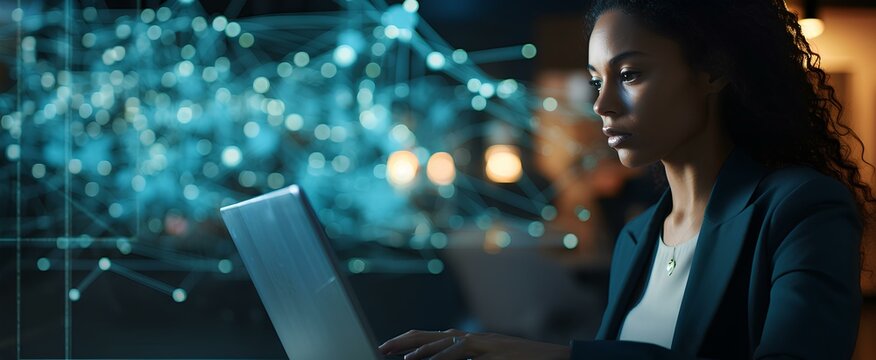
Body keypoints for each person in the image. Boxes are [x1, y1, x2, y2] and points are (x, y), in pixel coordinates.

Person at [377, 0, 875, 358]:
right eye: (597, 81)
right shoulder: (637, 239)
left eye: (630, 75)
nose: (602, 105)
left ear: (713, 71)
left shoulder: (801, 208)